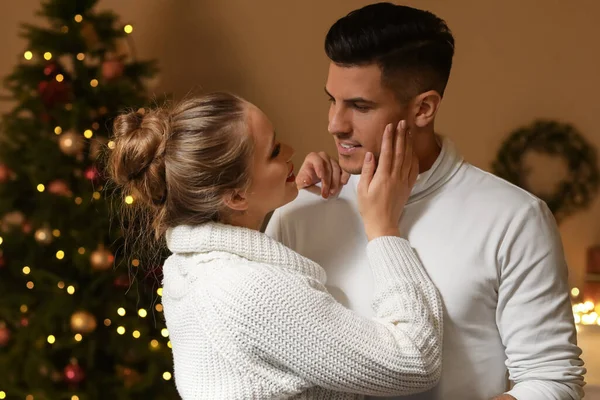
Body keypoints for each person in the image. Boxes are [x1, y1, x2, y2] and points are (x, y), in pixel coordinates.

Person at [266, 3, 586, 400]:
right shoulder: (300, 210)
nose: (335, 123)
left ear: (423, 108)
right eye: (332, 99)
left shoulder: (514, 218)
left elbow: (551, 379)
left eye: (360, 106)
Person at [107, 92, 444, 399]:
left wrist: (285, 191)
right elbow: (414, 361)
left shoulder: (189, 266)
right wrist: (384, 227)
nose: (291, 152)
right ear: (237, 196)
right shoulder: (245, 290)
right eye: (273, 152)